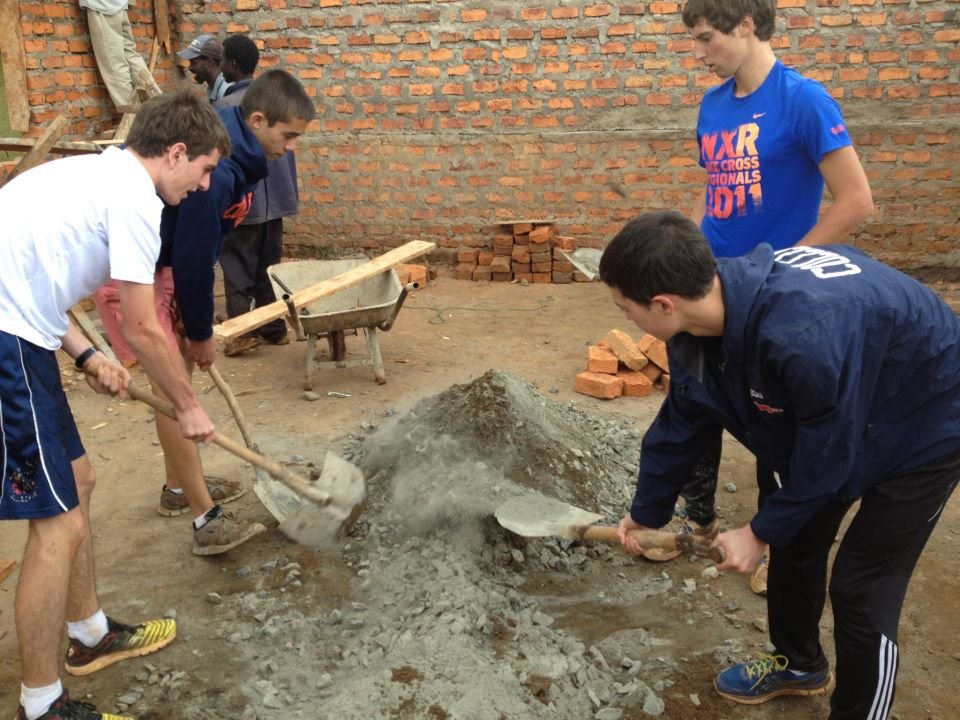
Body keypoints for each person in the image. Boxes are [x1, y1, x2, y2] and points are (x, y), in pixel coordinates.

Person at [604, 211, 960, 718]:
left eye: (625, 307)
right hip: (840, 402)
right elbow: (682, 422)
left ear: (663, 303)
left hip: (924, 423)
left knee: (861, 587)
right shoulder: (698, 324)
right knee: (794, 543)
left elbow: (829, 457)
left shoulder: (800, 336)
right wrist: (648, 511)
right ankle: (799, 665)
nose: (624, 317)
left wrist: (758, 532)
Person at [0, 90, 229, 720]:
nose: (206, 185)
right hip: (5, 341)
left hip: (23, 331)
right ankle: (41, 706)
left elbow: (32, 278)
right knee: (58, 525)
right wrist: (187, 406)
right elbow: (144, 325)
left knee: (78, 478)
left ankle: (90, 634)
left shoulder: (93, 175)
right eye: (204, 168)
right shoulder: (134, 196)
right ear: (176, 152)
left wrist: (85, 355)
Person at [647, 0, 874, 587]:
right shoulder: (713, 105)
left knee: (781, 423)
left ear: (746, 24)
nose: (698, 54)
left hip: (769, 302)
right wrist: (687, 255)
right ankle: (697, 522)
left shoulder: (803, 101)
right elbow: (712, 187)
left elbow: (856, 202)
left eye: (705, 40)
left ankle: (776, 540)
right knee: (695, 401)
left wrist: (790, 267)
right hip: (708, 290)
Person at [93, 69, 315, 555]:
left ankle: (178, 487)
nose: (292, 147)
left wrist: (194, 330)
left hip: (161, 263)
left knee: (182, 378)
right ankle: (204, 518)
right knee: (173, 387)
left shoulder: (237, 148)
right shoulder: (220, 170)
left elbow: (193, 252)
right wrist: (200, 331)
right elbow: (196, 257)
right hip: (131, 273)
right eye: (288, 135)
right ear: (258, 119)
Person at [216, 34, 298, 354]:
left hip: (243, 204)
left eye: (223, 59)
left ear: (233, 65)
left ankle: (240, 333)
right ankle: (273, 328)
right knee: (268, 266)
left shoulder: (224, 107)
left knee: (237, 269)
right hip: (275, 201)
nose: (221, 64)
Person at [79, 0, 161, 112]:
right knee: (131, 56)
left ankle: (133, 115)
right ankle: (160, 104)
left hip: (102, 6)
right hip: (119, 6)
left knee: (113, 65)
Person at [177, 33, 230, 103]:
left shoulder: (225, 92)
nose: (190, 68)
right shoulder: (213, 88)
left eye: (194, 62)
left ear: (209, 62)